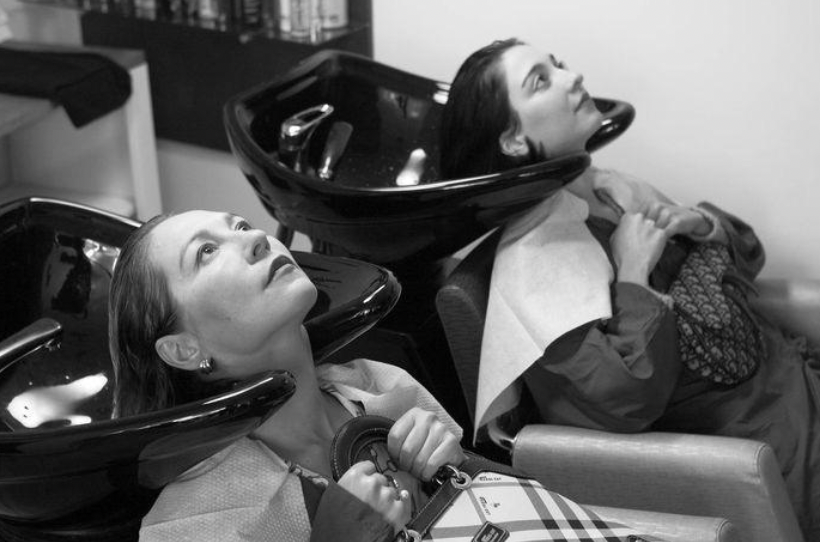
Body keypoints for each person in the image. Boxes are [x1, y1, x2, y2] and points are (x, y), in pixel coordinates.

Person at [440, 38, 820, 538]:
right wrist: (633, 275)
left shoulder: (609, 190)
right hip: (764, 446)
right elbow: (623, 405)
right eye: (541, 80)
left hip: (796, 386)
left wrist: (698, 224)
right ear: (512, 139)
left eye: (559, 65)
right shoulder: (535, 268)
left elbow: (743, 262)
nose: (571, 76)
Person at [107, 210, 466, 542]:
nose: (257, 238)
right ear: (185, 349)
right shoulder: (191, 523)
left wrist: (457, 468)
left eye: (242, 226)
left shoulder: (381, 386)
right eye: (207, 251)